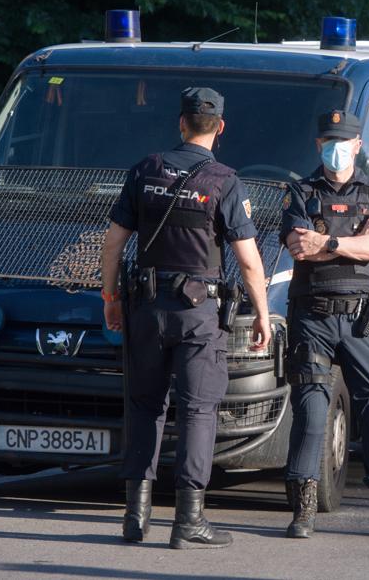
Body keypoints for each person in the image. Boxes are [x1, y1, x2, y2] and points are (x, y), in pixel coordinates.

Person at [100, 87, 271, 549]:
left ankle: (135, 519)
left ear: (180, 123)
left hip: (146, 310)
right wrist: (262, 315)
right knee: (198, 411)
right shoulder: (224, 181)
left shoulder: (145, 170)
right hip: (198, 315)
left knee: (144, 407)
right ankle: (187, 522)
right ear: (219, 127)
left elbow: (113, 242)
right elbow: (250, 261)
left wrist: (110, 297)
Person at [279, 109, 369, 540]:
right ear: (318, 146)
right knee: (311, 410)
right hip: (314, 317)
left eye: (343, 141)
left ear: (358, 146)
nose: (335, 149)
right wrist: (354, 243)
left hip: (362, 317)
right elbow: (298, 249)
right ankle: (302, 511)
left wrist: (328, 241)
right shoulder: (302, 192)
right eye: (328, 141)